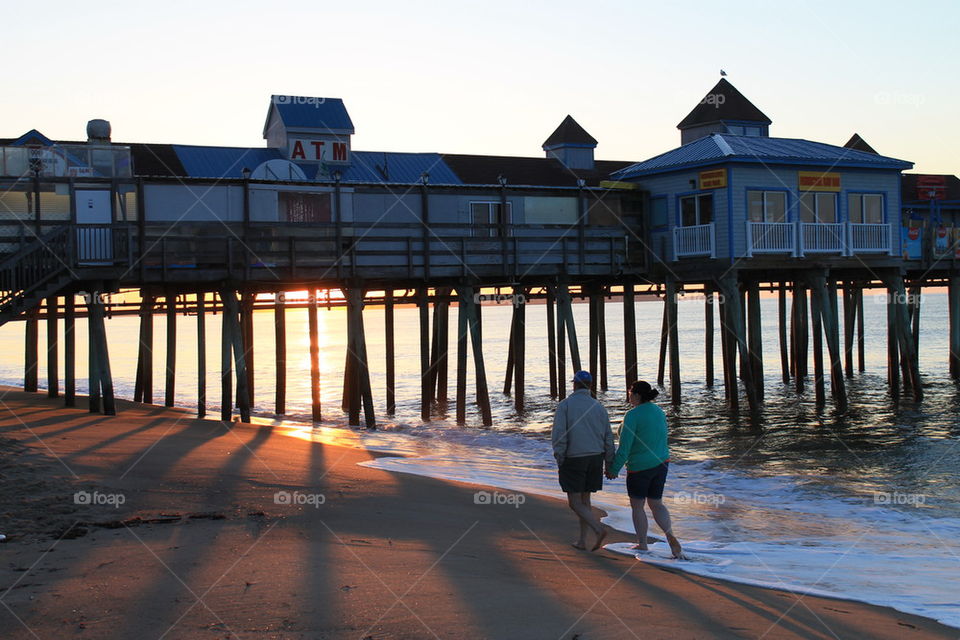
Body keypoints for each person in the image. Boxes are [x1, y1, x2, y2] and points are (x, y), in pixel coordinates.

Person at [606, 380, 683, 558]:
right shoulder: (658, 411)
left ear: (637, 395)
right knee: (656, 504)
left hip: (639, 467)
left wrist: (613, 469)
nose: (628, 395)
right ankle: (670, 535)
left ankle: (642, 544)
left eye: (630, 392)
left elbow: (625, 448)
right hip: (662, 462)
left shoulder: (632, 415)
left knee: (638, 506)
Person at [551, 370, 615, 551]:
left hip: (574, 457)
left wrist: (559, 455)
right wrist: (609, 462)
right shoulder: (599, 407)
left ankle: (597, 529)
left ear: (574, 385)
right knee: (585, 502)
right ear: (590, 386)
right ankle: (582, 540)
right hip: (596, 458)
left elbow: (559, 434)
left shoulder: (565, 405)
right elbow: (608, 437)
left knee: (574, 502)